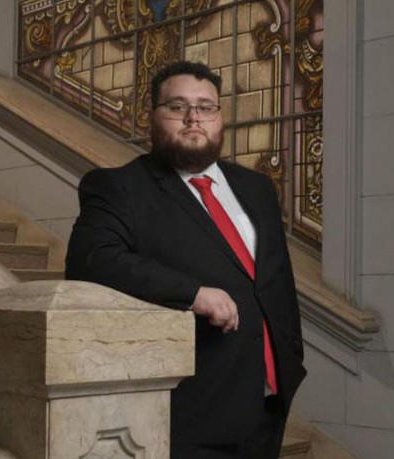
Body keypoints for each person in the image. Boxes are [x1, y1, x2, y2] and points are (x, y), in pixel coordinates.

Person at [65, 60, 306, 459]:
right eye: (177, 106)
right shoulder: (118, 187)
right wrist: (192, 293)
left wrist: (291, 356)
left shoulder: (256, 188)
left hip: (268, 400)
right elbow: (92, 261)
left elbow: (275, 279)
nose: (194, 118)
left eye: (206, 107)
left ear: (219, 117)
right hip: (191, 410)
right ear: (151, 116)